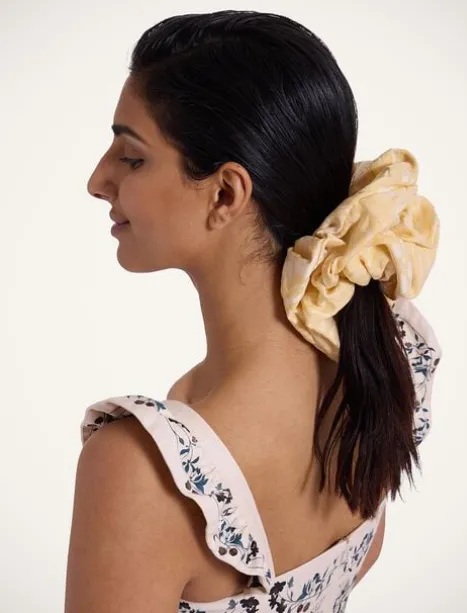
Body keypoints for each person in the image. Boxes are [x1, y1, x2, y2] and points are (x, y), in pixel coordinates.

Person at [65, 10, 441, 613]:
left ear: (225, 193)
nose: (97, 180)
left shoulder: (143, 472)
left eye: (132, 158)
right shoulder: (381, 358)